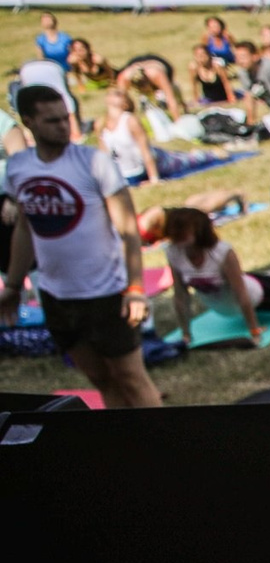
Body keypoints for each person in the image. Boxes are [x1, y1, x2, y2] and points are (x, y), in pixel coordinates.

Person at [0, 88, 157, 406]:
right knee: (100, 378)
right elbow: (25, 230)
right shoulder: (18, 168)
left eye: (65, 118)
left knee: (132, 379)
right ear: (29, 122)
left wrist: (136, 287)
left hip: (106, 293)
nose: (63, 126)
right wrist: (14, 285)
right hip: (57, 296)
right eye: (52, 120)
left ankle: (164, 449)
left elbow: (128, 229)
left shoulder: (93, 162)